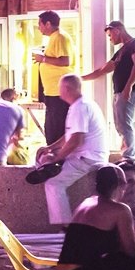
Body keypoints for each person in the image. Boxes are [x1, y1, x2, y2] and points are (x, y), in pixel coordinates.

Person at [32, 74, 108, 225]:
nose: (58, 92)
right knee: (48, 160)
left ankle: (64, 228)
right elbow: (70, 135)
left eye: (60, 88)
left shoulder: (80, 107)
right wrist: (50, 148)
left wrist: (57, 157)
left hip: (88, 159)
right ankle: (45, 168)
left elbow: (75, 141)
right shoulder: (83, 104)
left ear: (67, 88)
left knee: (53, 183)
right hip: (88, 156)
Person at [81, 19, 135, 164]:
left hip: (128, 91)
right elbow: (102, 70)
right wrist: (80, 79)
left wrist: (128, 86)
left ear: (117, 30)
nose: (110, 39)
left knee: (124, 124)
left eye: (110, 35)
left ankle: (129, 158)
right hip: (120, 92)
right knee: (121, 125)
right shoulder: (120, 52)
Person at [31, 10, 74, 145]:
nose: (39, 28)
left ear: (48, 24)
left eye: (40, 24)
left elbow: (65, 61)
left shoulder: (60, 37)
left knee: (56, 129)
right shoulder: (55, 38)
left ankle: (59, 159)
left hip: (58, 93)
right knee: (51, 128)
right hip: (52, 92)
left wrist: (43, 58)